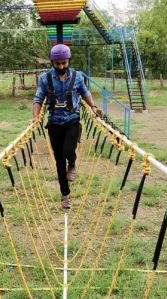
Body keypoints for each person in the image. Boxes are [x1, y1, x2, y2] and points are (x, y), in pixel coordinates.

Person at [32, 44, 103, 209]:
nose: (61, 66)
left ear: (68, 60)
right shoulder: (45, 78)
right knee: (58, 161)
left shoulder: (77, 77)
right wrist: (35, 117)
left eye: (64, 63)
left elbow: (85, 93)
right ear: (52, 62)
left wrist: (93, 107)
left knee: (68, 151)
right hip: (55, 123)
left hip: (72, 120)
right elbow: (38, 99)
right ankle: (65, 195)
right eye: (58, 64)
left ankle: (72, 163)